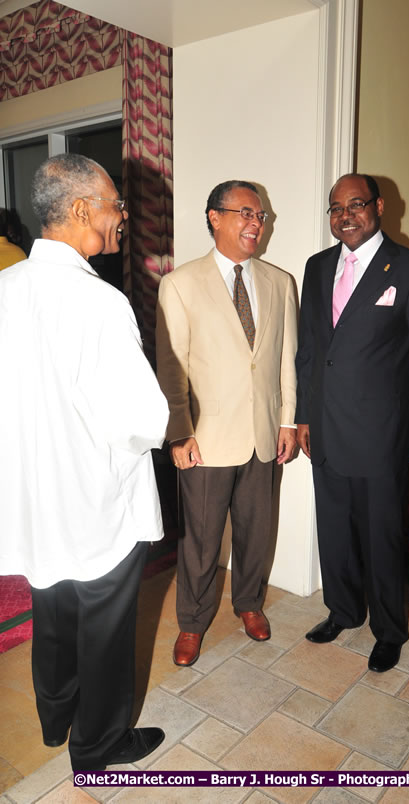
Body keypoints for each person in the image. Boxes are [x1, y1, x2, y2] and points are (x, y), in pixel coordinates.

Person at [0, 154, 169, 770]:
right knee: (104, 625)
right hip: (96, 500)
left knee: (52, 606)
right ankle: (98, 746)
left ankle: (55, 719)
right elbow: (142, 420)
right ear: (80, 210)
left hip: (31, 492)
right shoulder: (99, 302)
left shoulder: (4, 289)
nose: (123, 215)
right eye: (116, 203)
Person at [295, 173, 409, 672]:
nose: (345, 215)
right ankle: (342, 610)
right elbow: (310, 352)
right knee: (335, 530)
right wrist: (302, 417)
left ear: (379, 207)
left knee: (383, 537)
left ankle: (389, 630)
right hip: (324, 428)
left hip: (380, 435)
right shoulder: (317, 267)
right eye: (336, 208)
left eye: (356, 204)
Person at [156, 180, 297, 667]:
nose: (256, 223)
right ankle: (192, 624)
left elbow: (285, 362)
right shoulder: (180, 284)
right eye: (245, 213)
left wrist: (289, 421)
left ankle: (250, 603)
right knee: (200, 540)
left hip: (263, 435)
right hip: (205, 438)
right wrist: (179, 432)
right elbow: (170, 366)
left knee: (257, 532)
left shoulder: (281, 284)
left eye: (260, 215)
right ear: (214, 217)